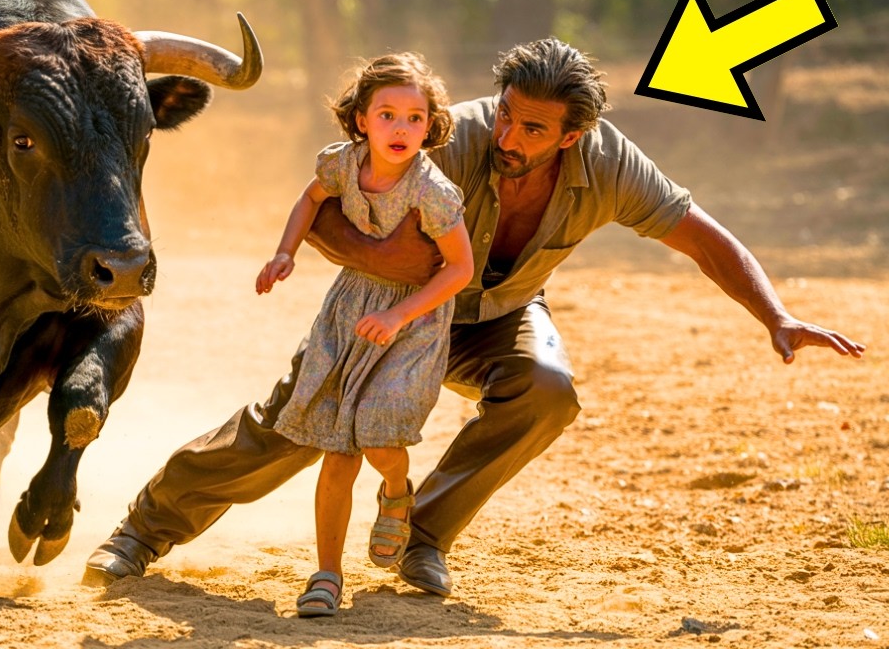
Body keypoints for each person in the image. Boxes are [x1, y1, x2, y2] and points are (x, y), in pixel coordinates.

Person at [82, 37, 866, 598]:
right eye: (509, 116)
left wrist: (776, 315)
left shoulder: (610, 165)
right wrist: (394, 266)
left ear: (574, 135)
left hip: (500, 315)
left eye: (534, 130)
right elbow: (321, 206)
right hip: (390, 313)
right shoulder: (442, 137)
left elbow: (703, 237)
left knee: (546, 390)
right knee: (297, 427)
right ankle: (146, 527)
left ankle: (420, 536)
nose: (510, 137)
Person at [254, 53, 474, 617]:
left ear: (430, 125)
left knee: (378, 440)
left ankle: (397, 493)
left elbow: (459, 269)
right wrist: (285, 252)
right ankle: (326, 575)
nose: (401, 129)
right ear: (361, 121)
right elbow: (310, 199)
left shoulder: (433, 191)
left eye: (415, 118)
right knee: (338, 447)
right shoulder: (341, 165)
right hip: (349, 310)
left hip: (413, 321)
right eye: (387, 115)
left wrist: (400, 316)